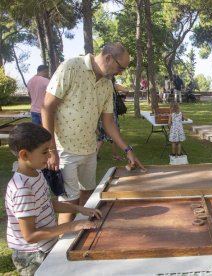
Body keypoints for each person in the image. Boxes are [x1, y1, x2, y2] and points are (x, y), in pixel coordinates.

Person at [41, 42, 145, 226]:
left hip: (89, 150)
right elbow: (47, 108)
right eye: (120, 67)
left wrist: (127, 150)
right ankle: (61, 249)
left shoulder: (107, 85)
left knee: (87, 197)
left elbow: (108, 122)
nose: (120, 73)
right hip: (65, 150)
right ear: (107, 58)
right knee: (69, 203)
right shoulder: (71, 67)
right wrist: (51, 150)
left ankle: (79, 238)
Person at [6, 122, 102, 276]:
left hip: (46, 245)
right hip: (32, 254)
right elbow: (30, 236)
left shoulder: (36, 174)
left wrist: (79, 209)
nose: (49, 156)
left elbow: (46, 203)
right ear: (24, 155)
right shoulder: (22, 190)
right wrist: (72, 226)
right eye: (44, 152)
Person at [96, 78, 127, 161]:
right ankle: (114, 155)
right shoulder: (113, 86)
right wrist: (119, 92)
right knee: (114, 135)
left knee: (101, 136)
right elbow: (126, 90)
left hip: (101, 115)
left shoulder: (99, 87)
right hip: (111, 115)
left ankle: (95, 154)